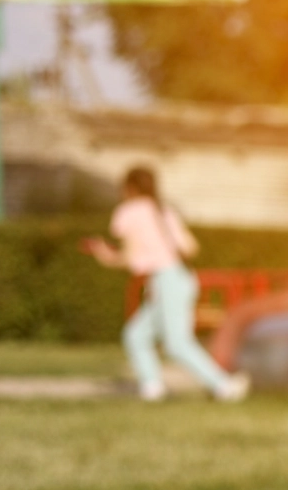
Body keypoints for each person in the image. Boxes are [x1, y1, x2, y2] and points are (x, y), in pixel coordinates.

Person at [83, 166, 250, 403]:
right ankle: (152, 386)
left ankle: (224, 385)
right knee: (136, 335)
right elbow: (191, 248)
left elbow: (128, 258)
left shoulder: (128, 212)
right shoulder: (164, 211)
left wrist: (103, 254)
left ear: (129, 188)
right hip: (180, 278)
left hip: (165, 281)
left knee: (177, 344)